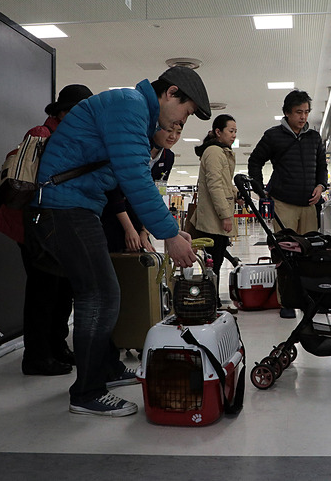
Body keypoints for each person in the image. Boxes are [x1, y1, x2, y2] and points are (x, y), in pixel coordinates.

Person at [25, 66, 209, 417]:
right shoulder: (130, 106)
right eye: (185, 111)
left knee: (101, 292)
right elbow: (135, 179)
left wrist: (169, 229)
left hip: (75, 206)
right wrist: (169, 234)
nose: (181, 120)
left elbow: (129, 176)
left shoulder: (135, 111)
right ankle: (87, 392)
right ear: (171, 94)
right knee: (100, 294)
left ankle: (106, 370)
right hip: (63, 206)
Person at [0, 84, 93, 376]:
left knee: (63, 290)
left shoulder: (69, 137)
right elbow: (35, 180)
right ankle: (37, 357)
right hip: (33, 226)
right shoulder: (41, 134)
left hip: (53, 227)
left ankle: (57, 346)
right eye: (77, 111)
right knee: (43, 292)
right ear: (62, 112)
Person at [248, 89, 328, 318]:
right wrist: (261, 191)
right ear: (286, 113)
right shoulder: (273, 136)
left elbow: (322, 166)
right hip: (283, 203)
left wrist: (321, 185)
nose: (303, 117)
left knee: (312, 254)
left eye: (306, 112)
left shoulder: (314, 138)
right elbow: (255, 162)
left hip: (309, 204)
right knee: (286, 254)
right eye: (298, 112)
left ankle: (311, 298)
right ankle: (287, 301)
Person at [100, 123, 182, 253]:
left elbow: (157, 193)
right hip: (112, 212)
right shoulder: (135, 148)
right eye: (168, 130)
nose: (173, 136)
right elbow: (113, 190)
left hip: (137, 216)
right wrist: (129, 229)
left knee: (143, 257)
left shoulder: (168, 157)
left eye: (178, 132)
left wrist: (145, 231)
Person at [188, 114, 238, 310]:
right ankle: (211, 303)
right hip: (214, 218)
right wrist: (225, 215)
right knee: (213, 264)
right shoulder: (215, 152)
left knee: (215, 262)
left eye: (235, 131)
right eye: (230, 131)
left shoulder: (220, 152)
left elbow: (225, 182)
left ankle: (213, 301)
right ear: (218, 132)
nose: (234, 135)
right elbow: (215, 185)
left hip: (215, 216)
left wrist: (235, 193)